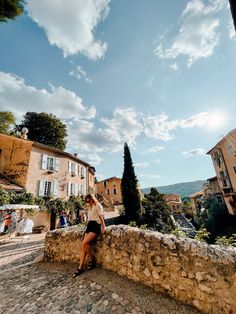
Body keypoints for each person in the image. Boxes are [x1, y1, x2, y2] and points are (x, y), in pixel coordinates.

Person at [73, 194, 106, 278]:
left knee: (84, 244)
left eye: (89, 200)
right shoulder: (89, 207)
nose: (87, 202)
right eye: (86, 201)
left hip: (96, 226)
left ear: (92, 199)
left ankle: (92, 259)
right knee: (83, 247)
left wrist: (103, 227)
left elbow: (101, 217)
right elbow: (89, 218)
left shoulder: (98, 206)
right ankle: (80, 268)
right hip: (89, 225)